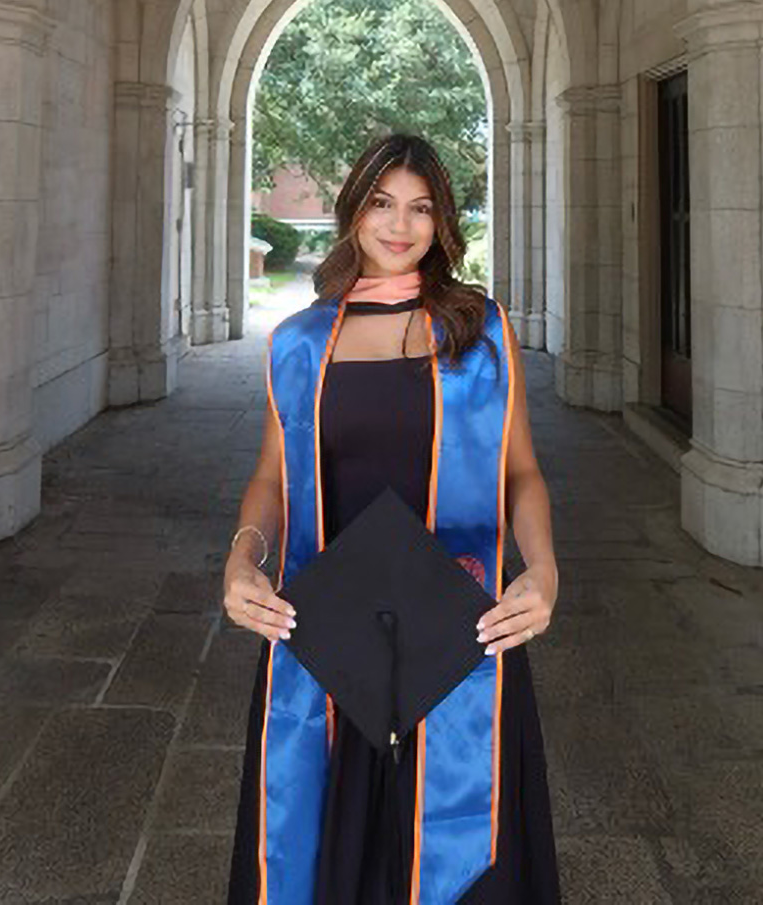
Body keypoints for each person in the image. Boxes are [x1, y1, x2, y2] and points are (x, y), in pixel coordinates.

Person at [224, 133, 561, 903]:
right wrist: (243, 558)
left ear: (442, 222)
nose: (399, 225)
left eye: (421, 207)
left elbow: (522, 472)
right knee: (329, 853)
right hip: (327, 637)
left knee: (456, 853)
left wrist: (541, 569)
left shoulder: (479, 332)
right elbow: (272, 479)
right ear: (354, 211)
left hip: (457, 635)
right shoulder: (301, 343)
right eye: (382, 203)